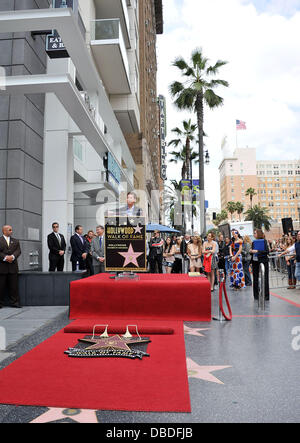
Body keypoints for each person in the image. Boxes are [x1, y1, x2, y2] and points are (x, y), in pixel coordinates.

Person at [0, 225, 22, 308]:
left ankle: (15, 303)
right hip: (2, 268)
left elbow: (18, 251)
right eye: (9, 230)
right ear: (4, 231)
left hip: (13, 267)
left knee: (14, 287)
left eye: (11, 230)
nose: (11, 231)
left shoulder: (16, 241)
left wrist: (12, 257)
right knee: (1, 287)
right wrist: (5, 258)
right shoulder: (0, 240)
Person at [250, 228, 270, 301]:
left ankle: (266, 296)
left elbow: (267, 251)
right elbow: (252, 252)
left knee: (265, 278)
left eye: (255, 233)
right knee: (255, 278)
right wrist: (251, 251)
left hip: (263, 261)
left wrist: (257, 251)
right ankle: (256, 295)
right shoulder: (253, 242)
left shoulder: (264, 241)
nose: (254, 234)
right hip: (255, 261)